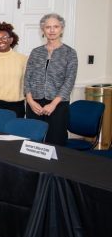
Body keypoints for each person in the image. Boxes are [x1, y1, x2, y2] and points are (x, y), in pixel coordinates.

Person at [25, 13, 78, 145]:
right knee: (33, 142)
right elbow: (27, 78)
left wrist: (53, 104)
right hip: (34, 104)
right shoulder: (36, 52)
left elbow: (69, 81)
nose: (52, 30)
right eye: (48, 27)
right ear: (43, 30)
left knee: (55, 142)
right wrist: (30, 101)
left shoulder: (70, 53)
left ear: (62, 29)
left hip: (58, 105)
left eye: (56, 26)